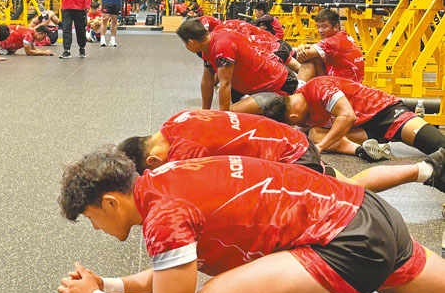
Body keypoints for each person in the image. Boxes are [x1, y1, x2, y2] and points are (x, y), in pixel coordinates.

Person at [57, 148, 445, 293]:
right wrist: (107, 284)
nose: (96, 228)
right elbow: (174, 275)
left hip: (346, 245)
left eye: (92, 218)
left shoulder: (163, 216)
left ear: (111, 202)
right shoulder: (164, 178)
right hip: (367, 213)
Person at [118, 109, 445, 194]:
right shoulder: (176, 121)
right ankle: (428, 171)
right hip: (286, 138)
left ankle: (429, 168)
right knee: (347, 184)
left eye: (153, 172)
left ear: (153, 161)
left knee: (351, 190)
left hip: (290, 154)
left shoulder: (184, 154)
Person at [253, 76, 445, 169]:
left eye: (292, 124)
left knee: (436, 145)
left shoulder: (319, 89)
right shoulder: (299, 107)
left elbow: (347, 116)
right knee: (315, 133)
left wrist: (320, 148)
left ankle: (370, 146)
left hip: (385, 113)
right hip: (363, 129)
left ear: (293, 118)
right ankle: (363, 150)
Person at [176, 19, 298, 111]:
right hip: (262, 87)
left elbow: (225, 84)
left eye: (184, 43)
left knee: (232, 113)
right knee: (230, 111)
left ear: (191, 42)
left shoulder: (222, 46)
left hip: (279, 86)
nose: (184, 46)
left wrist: (223, 117)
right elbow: (207, 79)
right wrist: (205, 112)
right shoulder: (207, 49)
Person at [294, 9, 364, 83]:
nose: (320, 30)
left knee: (311, 59)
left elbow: (303, 55)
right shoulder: (342, 36)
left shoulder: (334, 41)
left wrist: (301, 47)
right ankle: (300, 86)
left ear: (336, 27)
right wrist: (302, 47)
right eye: (318, 27)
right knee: (315, 57)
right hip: (347, 81)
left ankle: (299, 88)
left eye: (324, 27)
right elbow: (302, 56)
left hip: (346, 85)